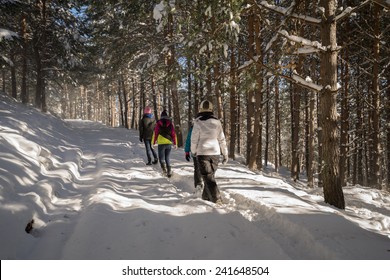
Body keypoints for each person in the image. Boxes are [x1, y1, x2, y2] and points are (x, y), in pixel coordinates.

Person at [191, 100, 228, 203]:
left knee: (208, 177)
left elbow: (194, 139)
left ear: (201, 109)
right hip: (215, 153)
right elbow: (222, 139)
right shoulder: (217, 122)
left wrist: (193, 151)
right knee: (209, 177)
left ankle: (217, 199)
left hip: (202, 153)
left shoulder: (197, 122)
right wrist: (225, 154)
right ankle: (205, 198)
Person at [152, 110, 177, 177]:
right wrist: (175, 143)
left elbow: (155, 134)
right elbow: (173, 134)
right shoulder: (170, 124)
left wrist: (153, 142)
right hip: (169, 143)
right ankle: (169, 171)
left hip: (161, 143)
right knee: (167, 157)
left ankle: (164, 170)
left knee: (161, 158)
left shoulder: (158, 124)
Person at [184, 119, 204, 190]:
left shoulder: (192, 129)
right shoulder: (205, 128)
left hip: (195, 151)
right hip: (204, 151)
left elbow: (188, 140)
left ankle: (198, 186)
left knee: (197, 168)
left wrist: (187, 152)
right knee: (204, 168)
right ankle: (203, 186)